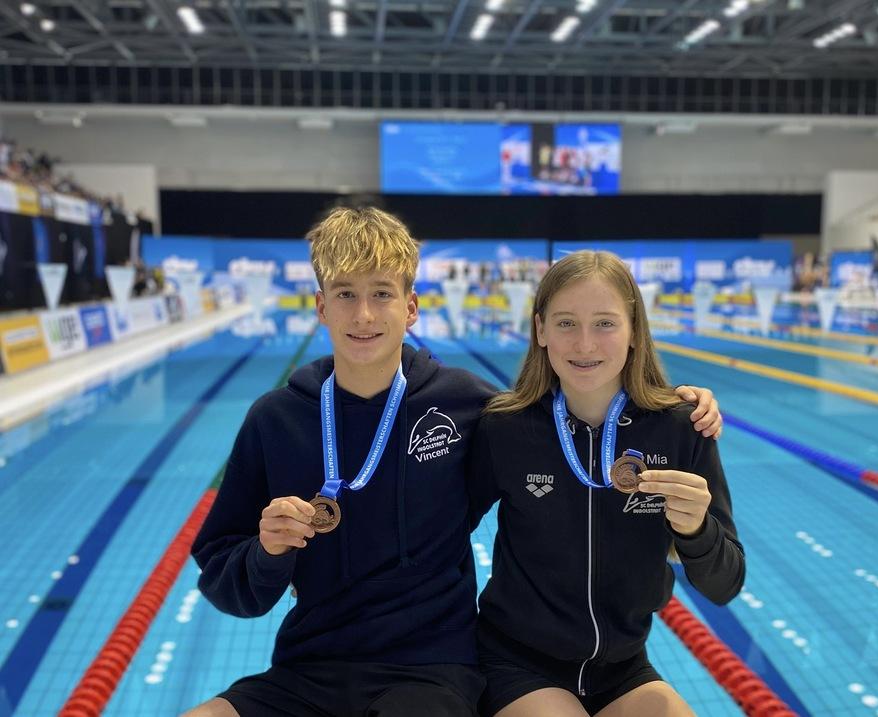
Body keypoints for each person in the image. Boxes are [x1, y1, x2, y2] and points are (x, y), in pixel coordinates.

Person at [185, 208, 723, 717]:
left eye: (381, 294)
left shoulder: (469, 406)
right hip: (308, 666)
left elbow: (561, 424)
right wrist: (267, 551)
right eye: (345, 294)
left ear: (411, 307)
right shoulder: (275, 419)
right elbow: (226, 582)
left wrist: (673, 410)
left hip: (431, 669)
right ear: (321, 306)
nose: (364, 314)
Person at [468, 250, 745, 717]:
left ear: (634, 330)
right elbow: (439, 530)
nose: (584, 344)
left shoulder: (681, 428)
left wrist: (697, 531)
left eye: (604, 323)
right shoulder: (507, 429)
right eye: (565, 323)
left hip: (622, 668)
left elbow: (725, 586)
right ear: (540, 330)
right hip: (516, 661)